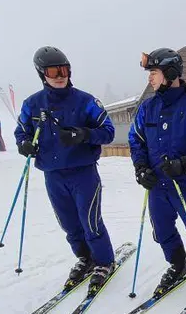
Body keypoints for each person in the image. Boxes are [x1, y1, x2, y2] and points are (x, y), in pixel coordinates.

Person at [14, 46, 117, 289]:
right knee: (68, 223)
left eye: (65, 69)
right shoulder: (33, 104)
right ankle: (85, 257)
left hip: (83, 172)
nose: (60, 75)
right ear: (42, 74)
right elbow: (21, 132)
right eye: (53, 71)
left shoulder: (86, 101)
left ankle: (104, 260)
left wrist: (84, 134)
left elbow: (108, 132)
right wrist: (24, 144)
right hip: (53, 174)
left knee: (90, 220)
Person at [129, 48, 186, 292]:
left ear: (170, 73)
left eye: (154, 72)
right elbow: (135, 139)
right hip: (157, 185)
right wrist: (140, 167)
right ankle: (177, 264)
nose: (150, 78)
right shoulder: (147, 108)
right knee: (161, 229)